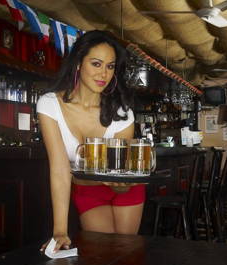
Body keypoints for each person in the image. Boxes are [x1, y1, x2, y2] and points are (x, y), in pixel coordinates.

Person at [36, 30, 145, 252]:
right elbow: (59, 169)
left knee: (124, 252)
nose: (103, 73)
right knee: (101, 252)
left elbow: (120, 172)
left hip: (126, 192)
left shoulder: (123, 113)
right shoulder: (49, 105)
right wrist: (59, 231)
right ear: (78, 63)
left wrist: (122, 186)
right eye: (96, 64)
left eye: (110, 66)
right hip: (88, 191)